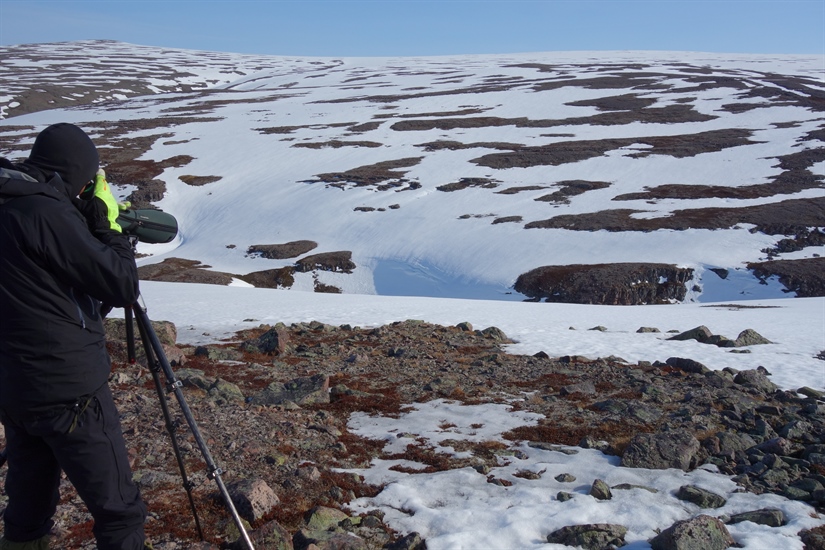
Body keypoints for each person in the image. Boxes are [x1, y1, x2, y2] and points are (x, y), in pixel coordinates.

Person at [0, 123, 148, 549]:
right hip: (69, 390)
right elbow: (120, 284)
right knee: (118, 511)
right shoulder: (45, 213)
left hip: (15, 386)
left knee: (27, 508)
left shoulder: (12, 200)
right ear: (77, 172)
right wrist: (109, 227)